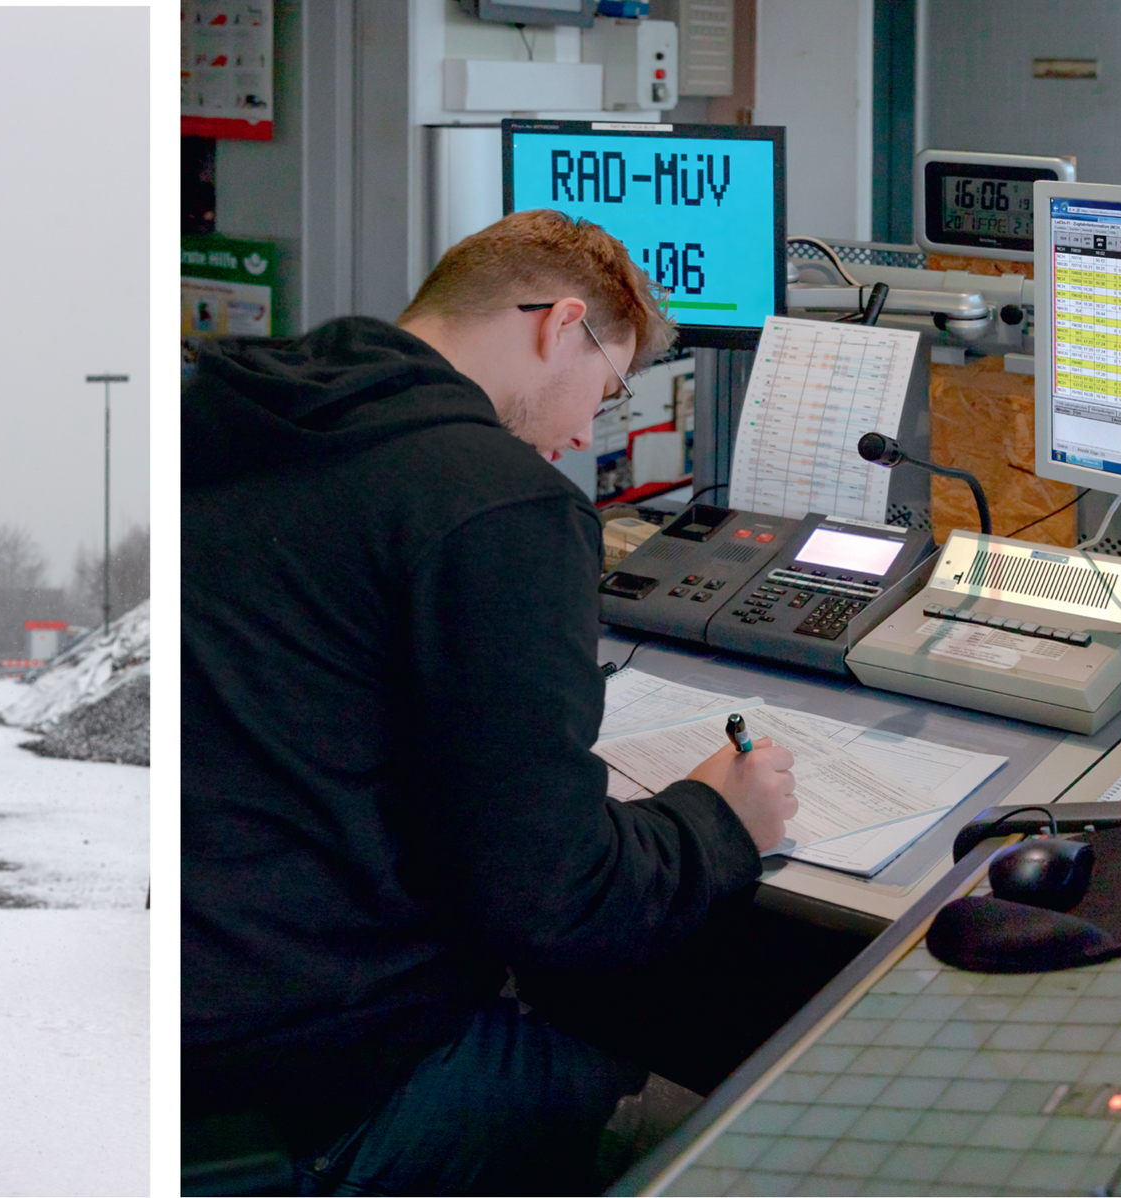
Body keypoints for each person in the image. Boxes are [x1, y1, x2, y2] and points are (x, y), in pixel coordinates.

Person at [183, 208, 800, 1195]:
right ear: (560, 325)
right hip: (315, 1089)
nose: (573, 433)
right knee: (716, 1113)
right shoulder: (495, 500)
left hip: (147, 1037)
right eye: (600, 391)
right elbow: (556, 899)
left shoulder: (215, 412)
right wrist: (719, 820)